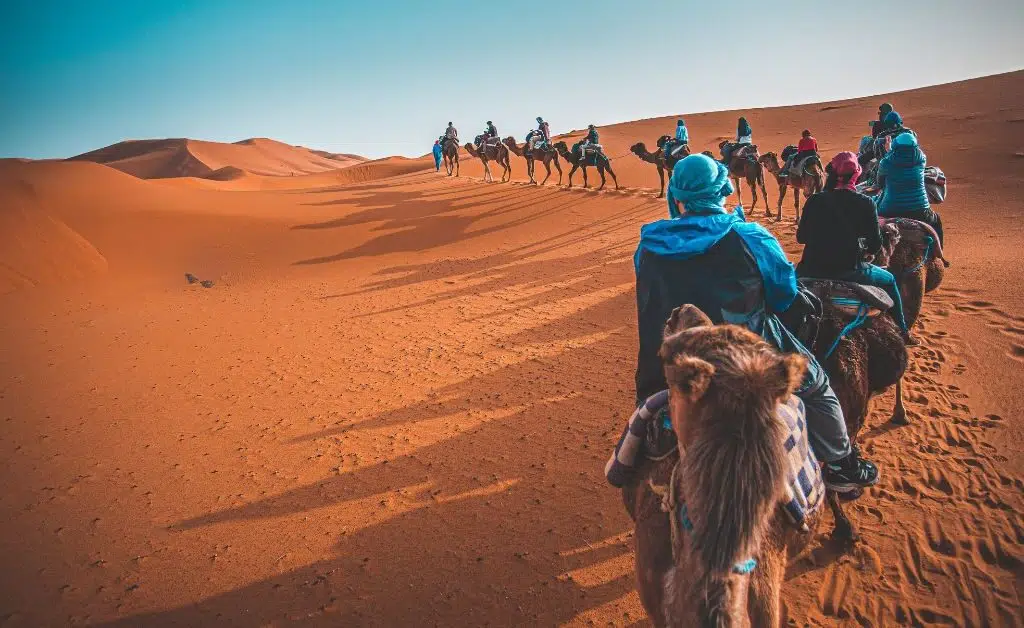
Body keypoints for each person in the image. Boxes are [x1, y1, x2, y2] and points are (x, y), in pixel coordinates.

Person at [634, 153, 879, 492]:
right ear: (724, 189)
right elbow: (783, 297)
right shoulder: (751, 237)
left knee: (649, 408)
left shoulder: (648, 245)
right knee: (818, 387)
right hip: (748, 361)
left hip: (667, 364)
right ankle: (841, 466)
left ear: (676, 196)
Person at [795, 152, 911, 340]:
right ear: (857, 175)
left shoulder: (815, 200)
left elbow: (801, 237)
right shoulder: (866, 203)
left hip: (810, 269)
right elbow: (875, 246)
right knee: (889, 280)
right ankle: (904, 332)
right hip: (850, 270)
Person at [876, 132, 943, 244]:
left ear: (895, 145)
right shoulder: (921, 159)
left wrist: (889, 150)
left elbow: (880, 183)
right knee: (936, 220)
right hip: (920, 210)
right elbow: (906, 159)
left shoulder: (886, 162)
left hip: (890, 209)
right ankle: (939, 254)